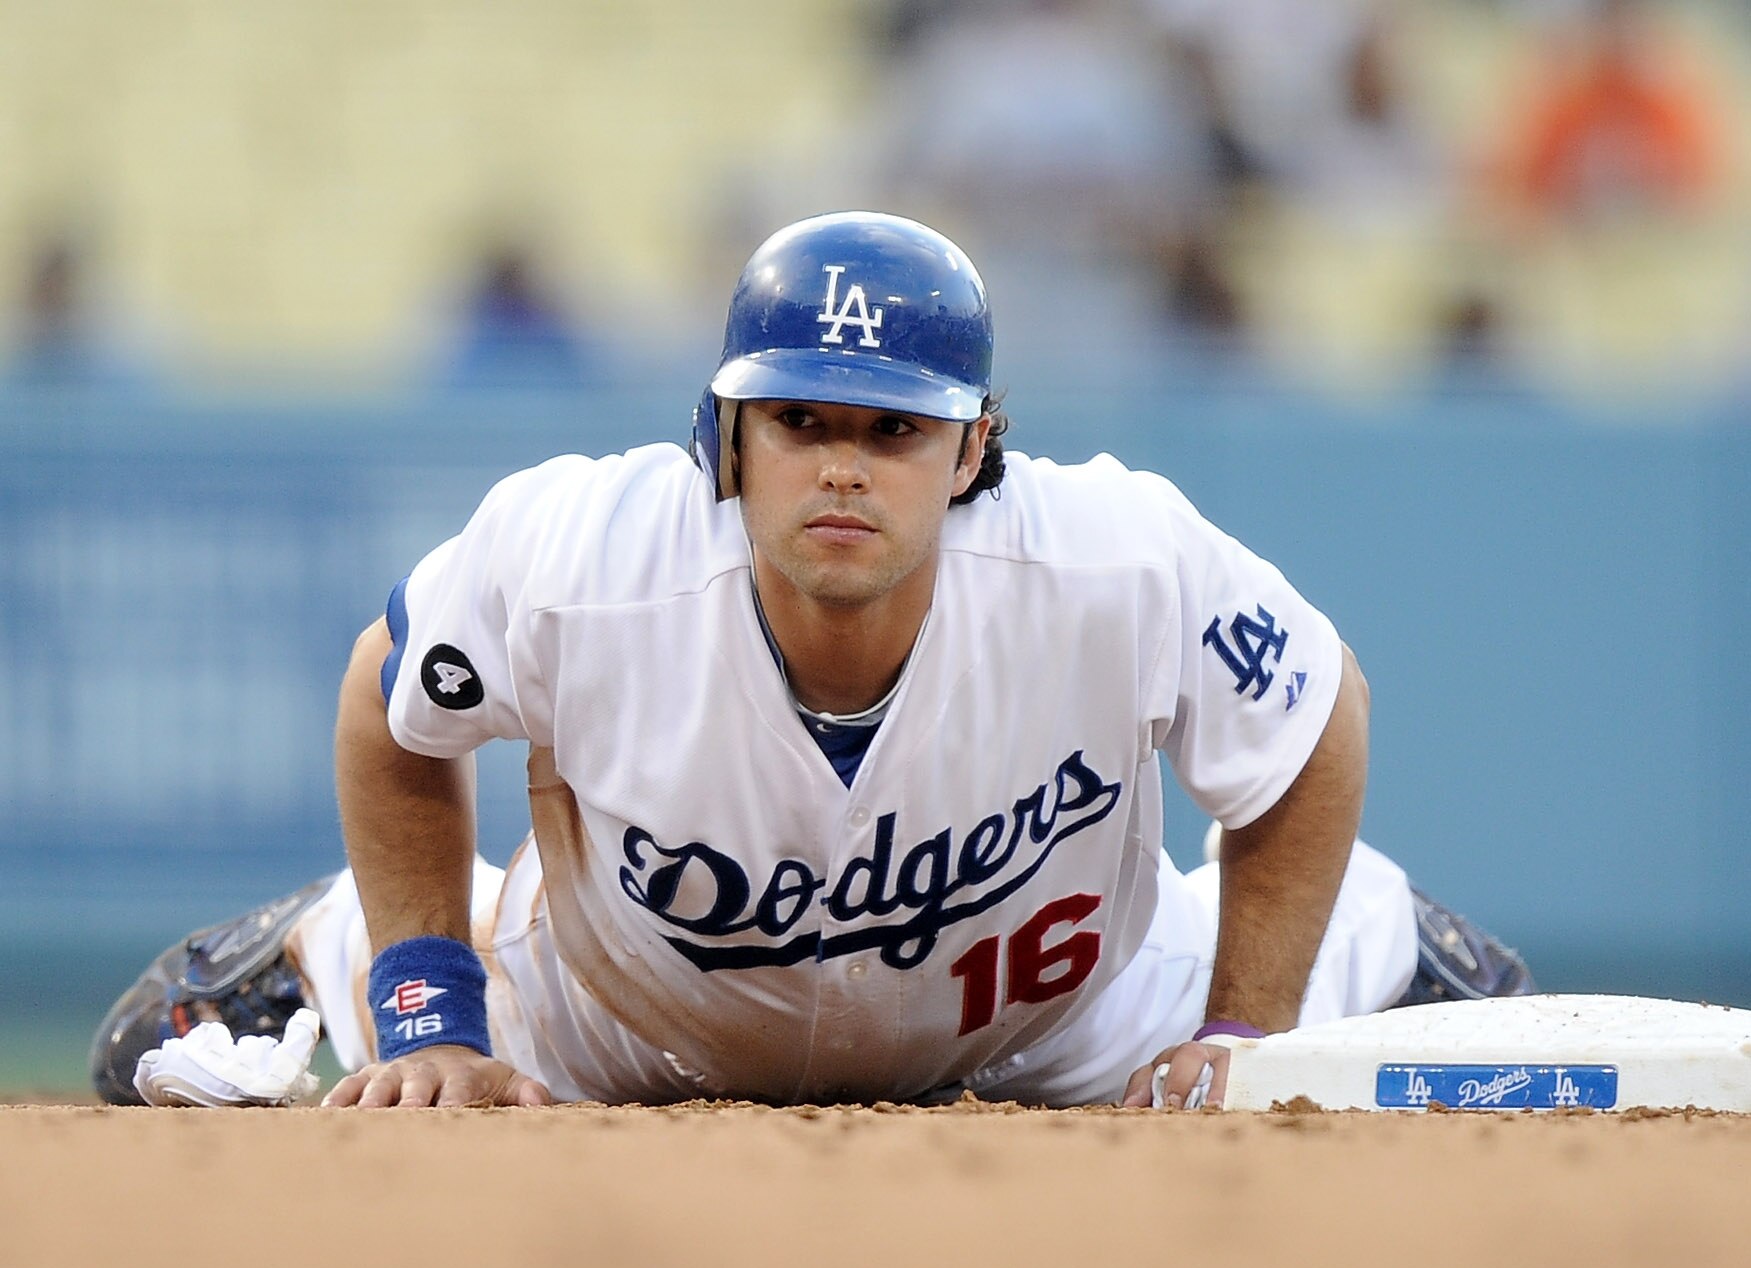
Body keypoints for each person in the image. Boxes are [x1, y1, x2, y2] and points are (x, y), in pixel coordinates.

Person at [91, 211, 1532, 1111]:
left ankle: (1381, 943)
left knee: (1323, 992)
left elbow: (1312, 712)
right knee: (276, 1036)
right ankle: (321, 944)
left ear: (975, 443)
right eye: (803, 422)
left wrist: (1244, 1028)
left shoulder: (1114, 555)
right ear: (728, 433)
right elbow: (388, 705)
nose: (844, 467)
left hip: (1065, 1019)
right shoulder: (585, 553)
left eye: (893, 429)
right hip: (626, 1025)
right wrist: (425, 1003)